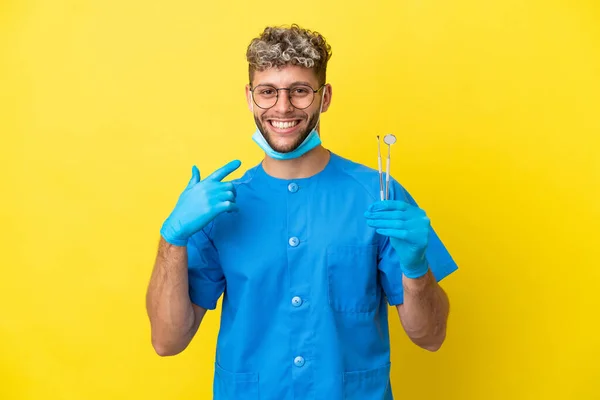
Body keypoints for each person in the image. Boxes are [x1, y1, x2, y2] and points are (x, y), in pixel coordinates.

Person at [146, 24, 458, 400]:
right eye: (267, 92)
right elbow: (167, 340)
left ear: (324, 97)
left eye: (299, 91)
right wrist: (172, 238)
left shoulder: (379, 196)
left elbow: (431, 336)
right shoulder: (218, 207)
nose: (282, 107)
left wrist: (416, 267)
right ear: (249, 97)